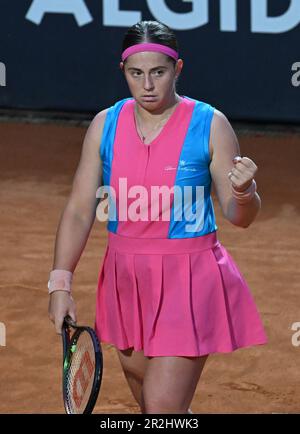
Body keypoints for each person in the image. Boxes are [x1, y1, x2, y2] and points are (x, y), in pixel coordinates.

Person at [48, 20, 268, 414]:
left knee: (162, 407)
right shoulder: (104, 125)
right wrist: (60, 283)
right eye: (136, 74)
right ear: (124, 72)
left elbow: (240, 216)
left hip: (189, 280)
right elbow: (80, 209)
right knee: (151, 404)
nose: (148, 85)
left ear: (177, 69)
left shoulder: (210, 124)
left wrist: (244, 191)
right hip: (126, 282)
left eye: (158, 73)